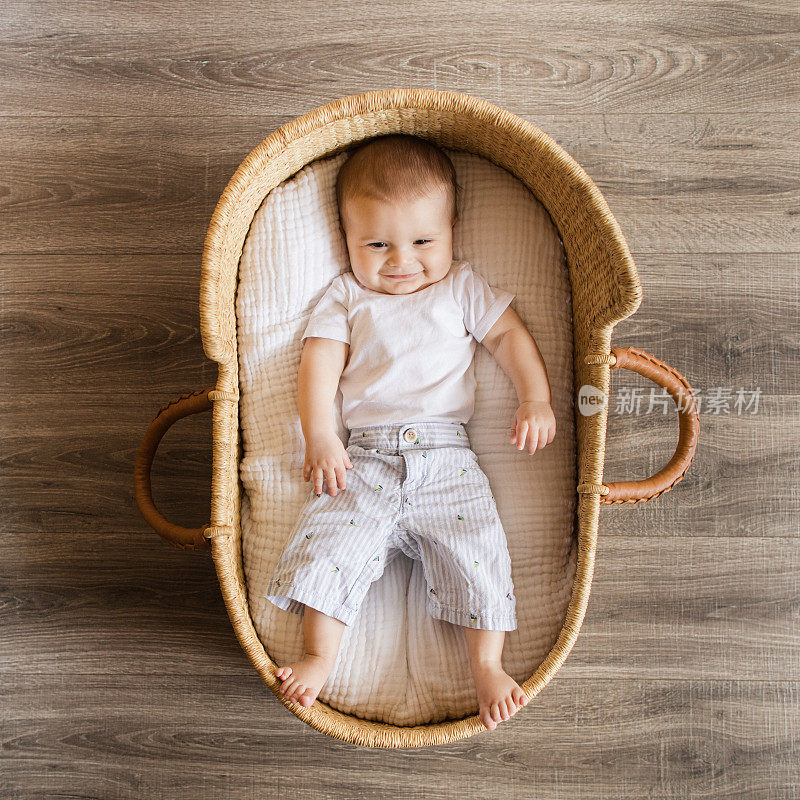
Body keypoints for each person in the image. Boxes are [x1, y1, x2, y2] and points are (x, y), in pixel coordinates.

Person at [265, 134, 556, 731]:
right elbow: (317, 368)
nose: (401, 261)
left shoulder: (461, 288)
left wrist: (537, 398)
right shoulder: (345, 297)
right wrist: (321, 437)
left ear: (453, 232)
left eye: (424, 242)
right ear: (346, 239)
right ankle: (320, 655)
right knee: (329, 548)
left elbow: (507, 339)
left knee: (478, 550)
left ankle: (487, 665)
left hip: (447, 457)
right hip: (362, 459)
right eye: (376, 244)